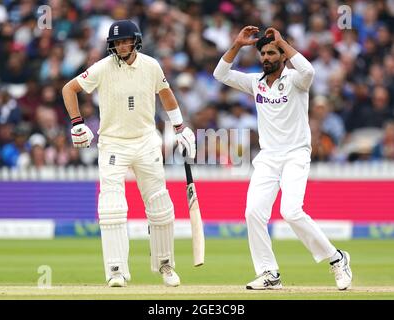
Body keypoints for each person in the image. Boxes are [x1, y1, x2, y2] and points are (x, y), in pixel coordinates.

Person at [213, 26, 352, 290]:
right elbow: (220, 74)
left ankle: (337, 259)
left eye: (271, 53)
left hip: (296, 154)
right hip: (268, 157)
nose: (266, 57)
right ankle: (268, 273)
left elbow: (309, 71)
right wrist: (236, 45)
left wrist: (283, 42)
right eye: (263, 53)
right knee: (253, 212)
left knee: (290, 211)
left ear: (283, 56)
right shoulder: (255, 83)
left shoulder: (296, 80)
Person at [62, 20, 196, 287]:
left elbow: (166, 93)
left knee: (160, 207)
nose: (121, 46)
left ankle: (165, 265)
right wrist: (77, 123)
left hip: (146, 142)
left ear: (136, 41)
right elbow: (69, 89)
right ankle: (116, 271)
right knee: (112, 208)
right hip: (113, 143)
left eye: (126, 41)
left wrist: (180, 126)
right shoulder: (103, 67)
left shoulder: (151, 65)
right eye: (117, 42)